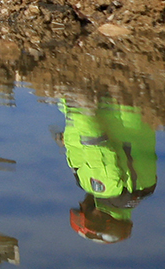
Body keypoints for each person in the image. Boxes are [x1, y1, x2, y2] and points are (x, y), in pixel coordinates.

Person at [62, 96, 157, 244]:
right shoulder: (106, 190)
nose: (81, 203)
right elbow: (96, 145)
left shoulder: (142, 191)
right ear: (98, 217)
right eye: (83, 210)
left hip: (138, 103)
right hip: (109, 101)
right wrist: (75, 103)